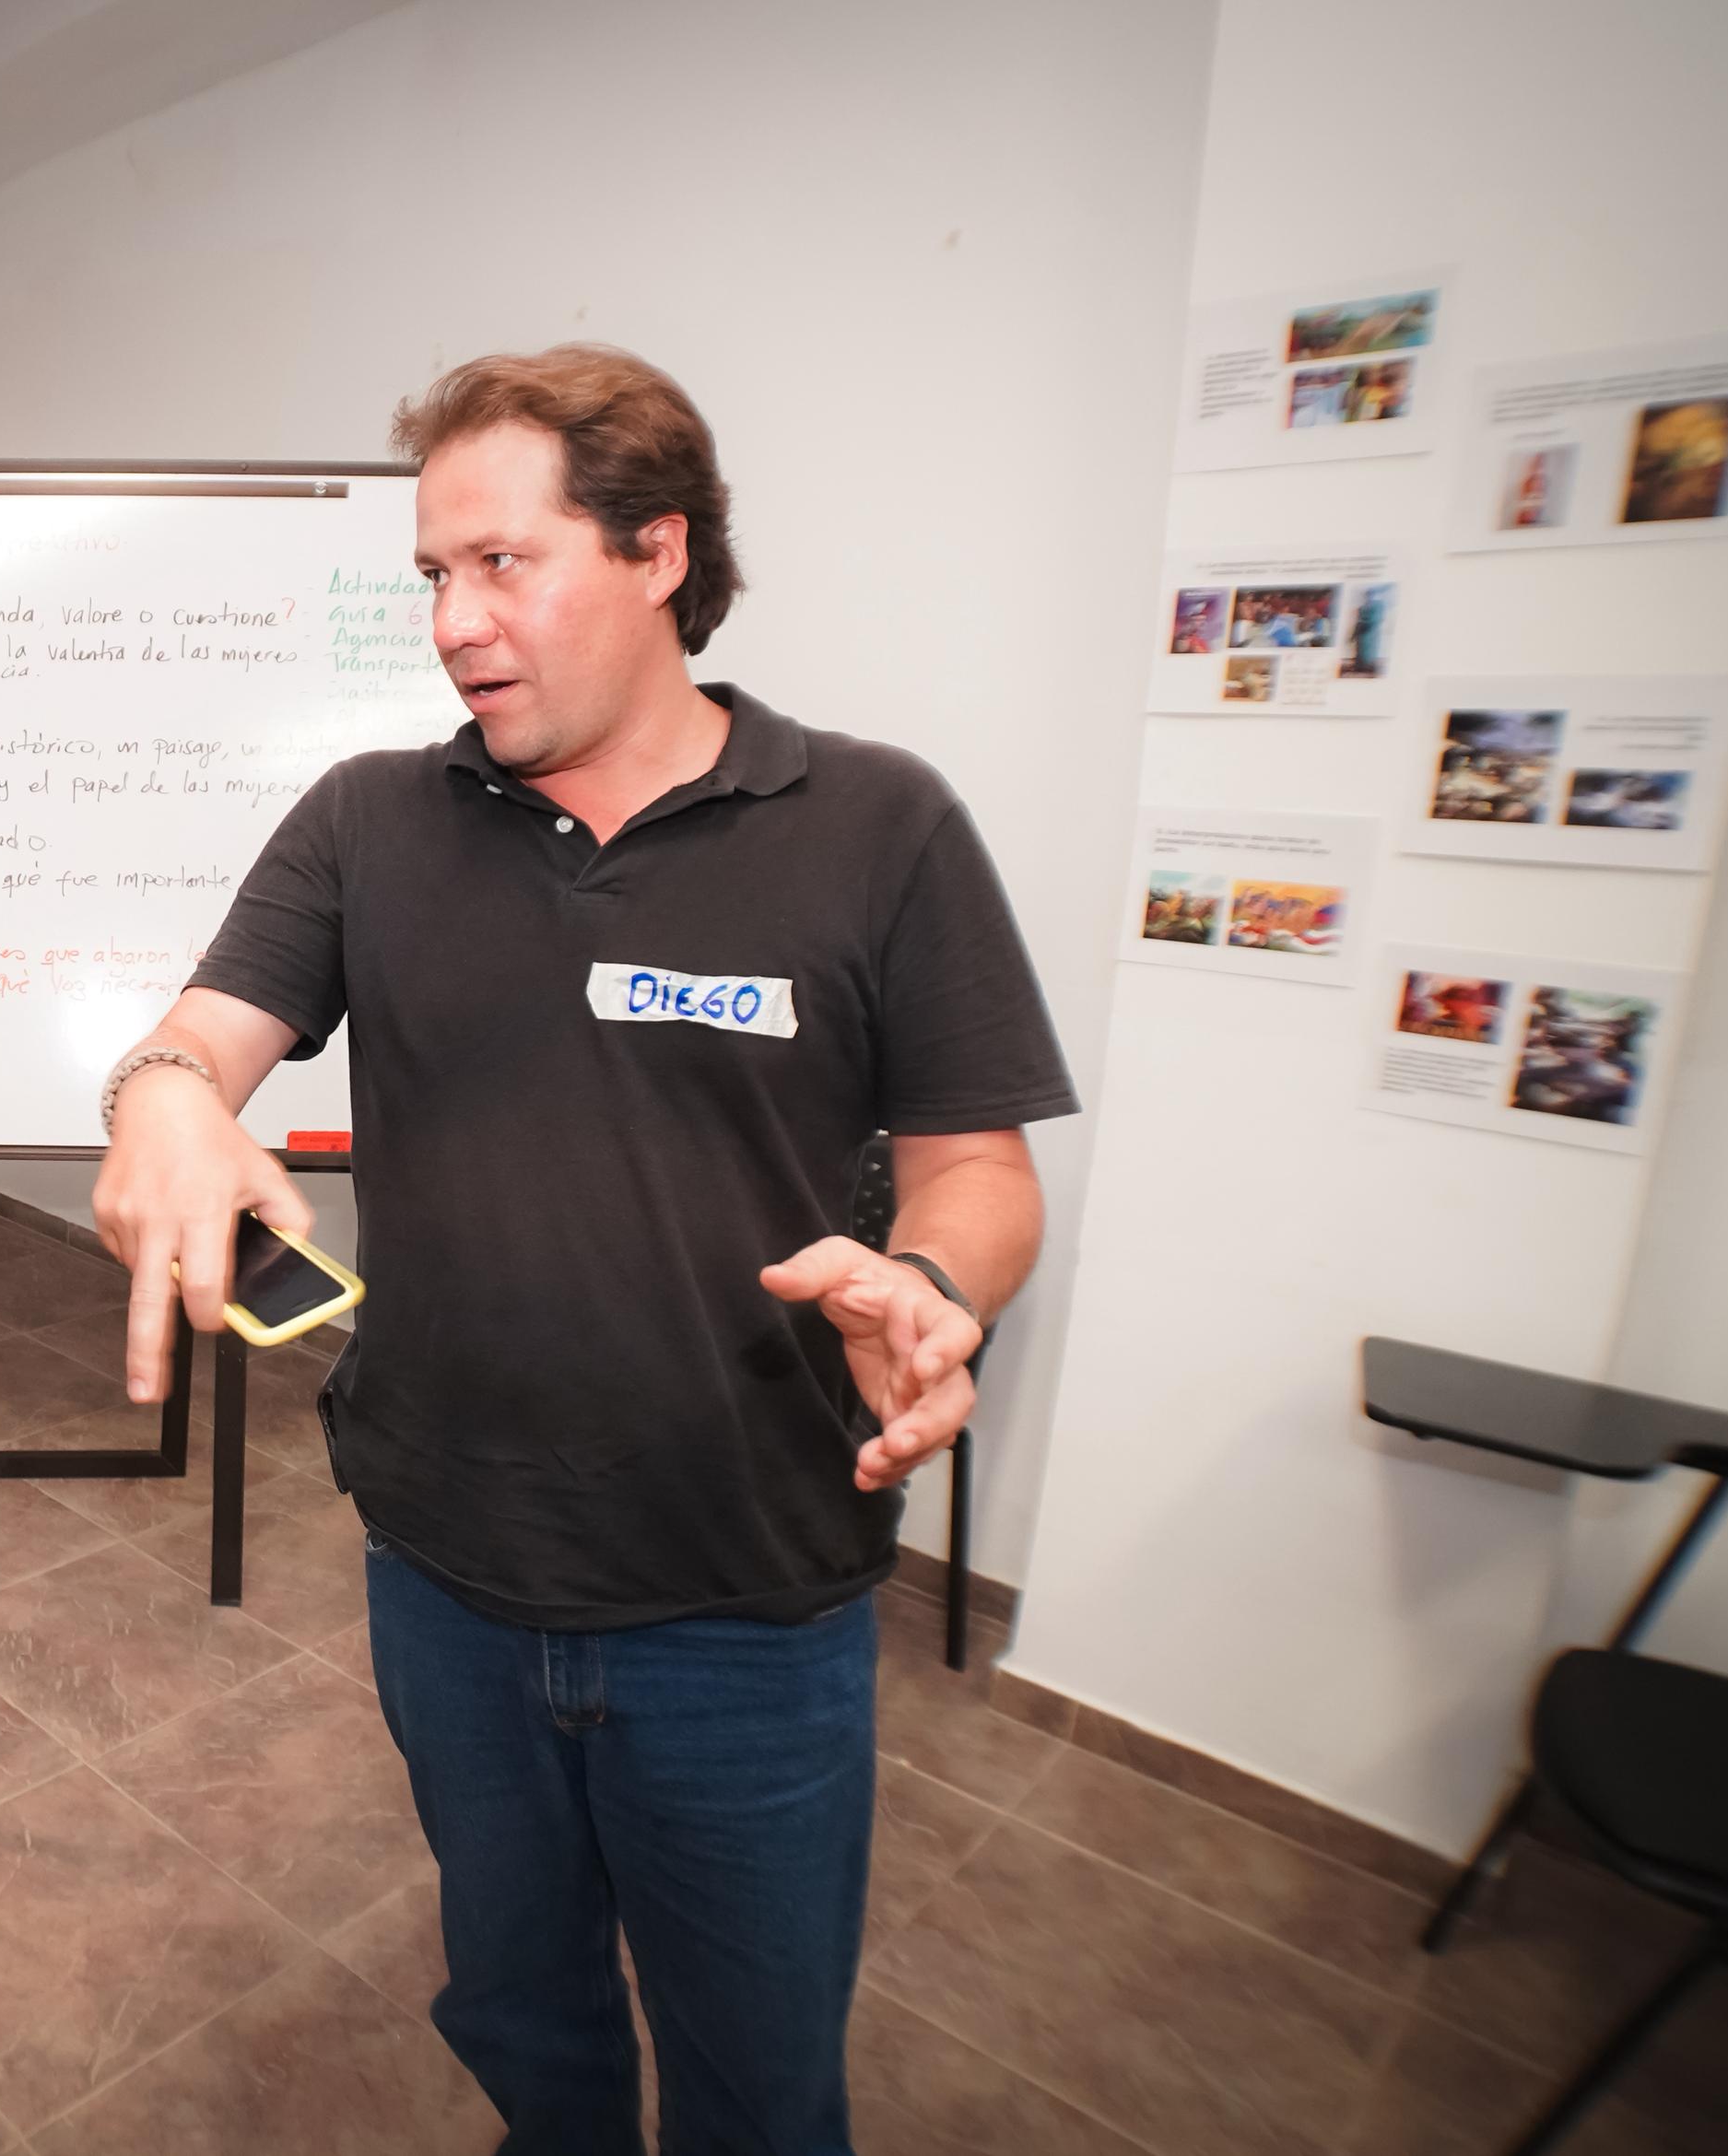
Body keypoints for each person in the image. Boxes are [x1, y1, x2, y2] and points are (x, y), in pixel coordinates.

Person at [91, 347, 1077, 2156]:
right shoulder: (367, 823)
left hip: (746, 1603)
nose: (453, 622)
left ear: (655, 551)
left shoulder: (879, 826)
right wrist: (161, 1097)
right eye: (433, 575)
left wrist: (935, 1285)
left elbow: (978, 1170)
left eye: (503, 563)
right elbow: (203, 1038)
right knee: (523, 2022)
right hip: (448, 1579)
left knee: (755, 2085)